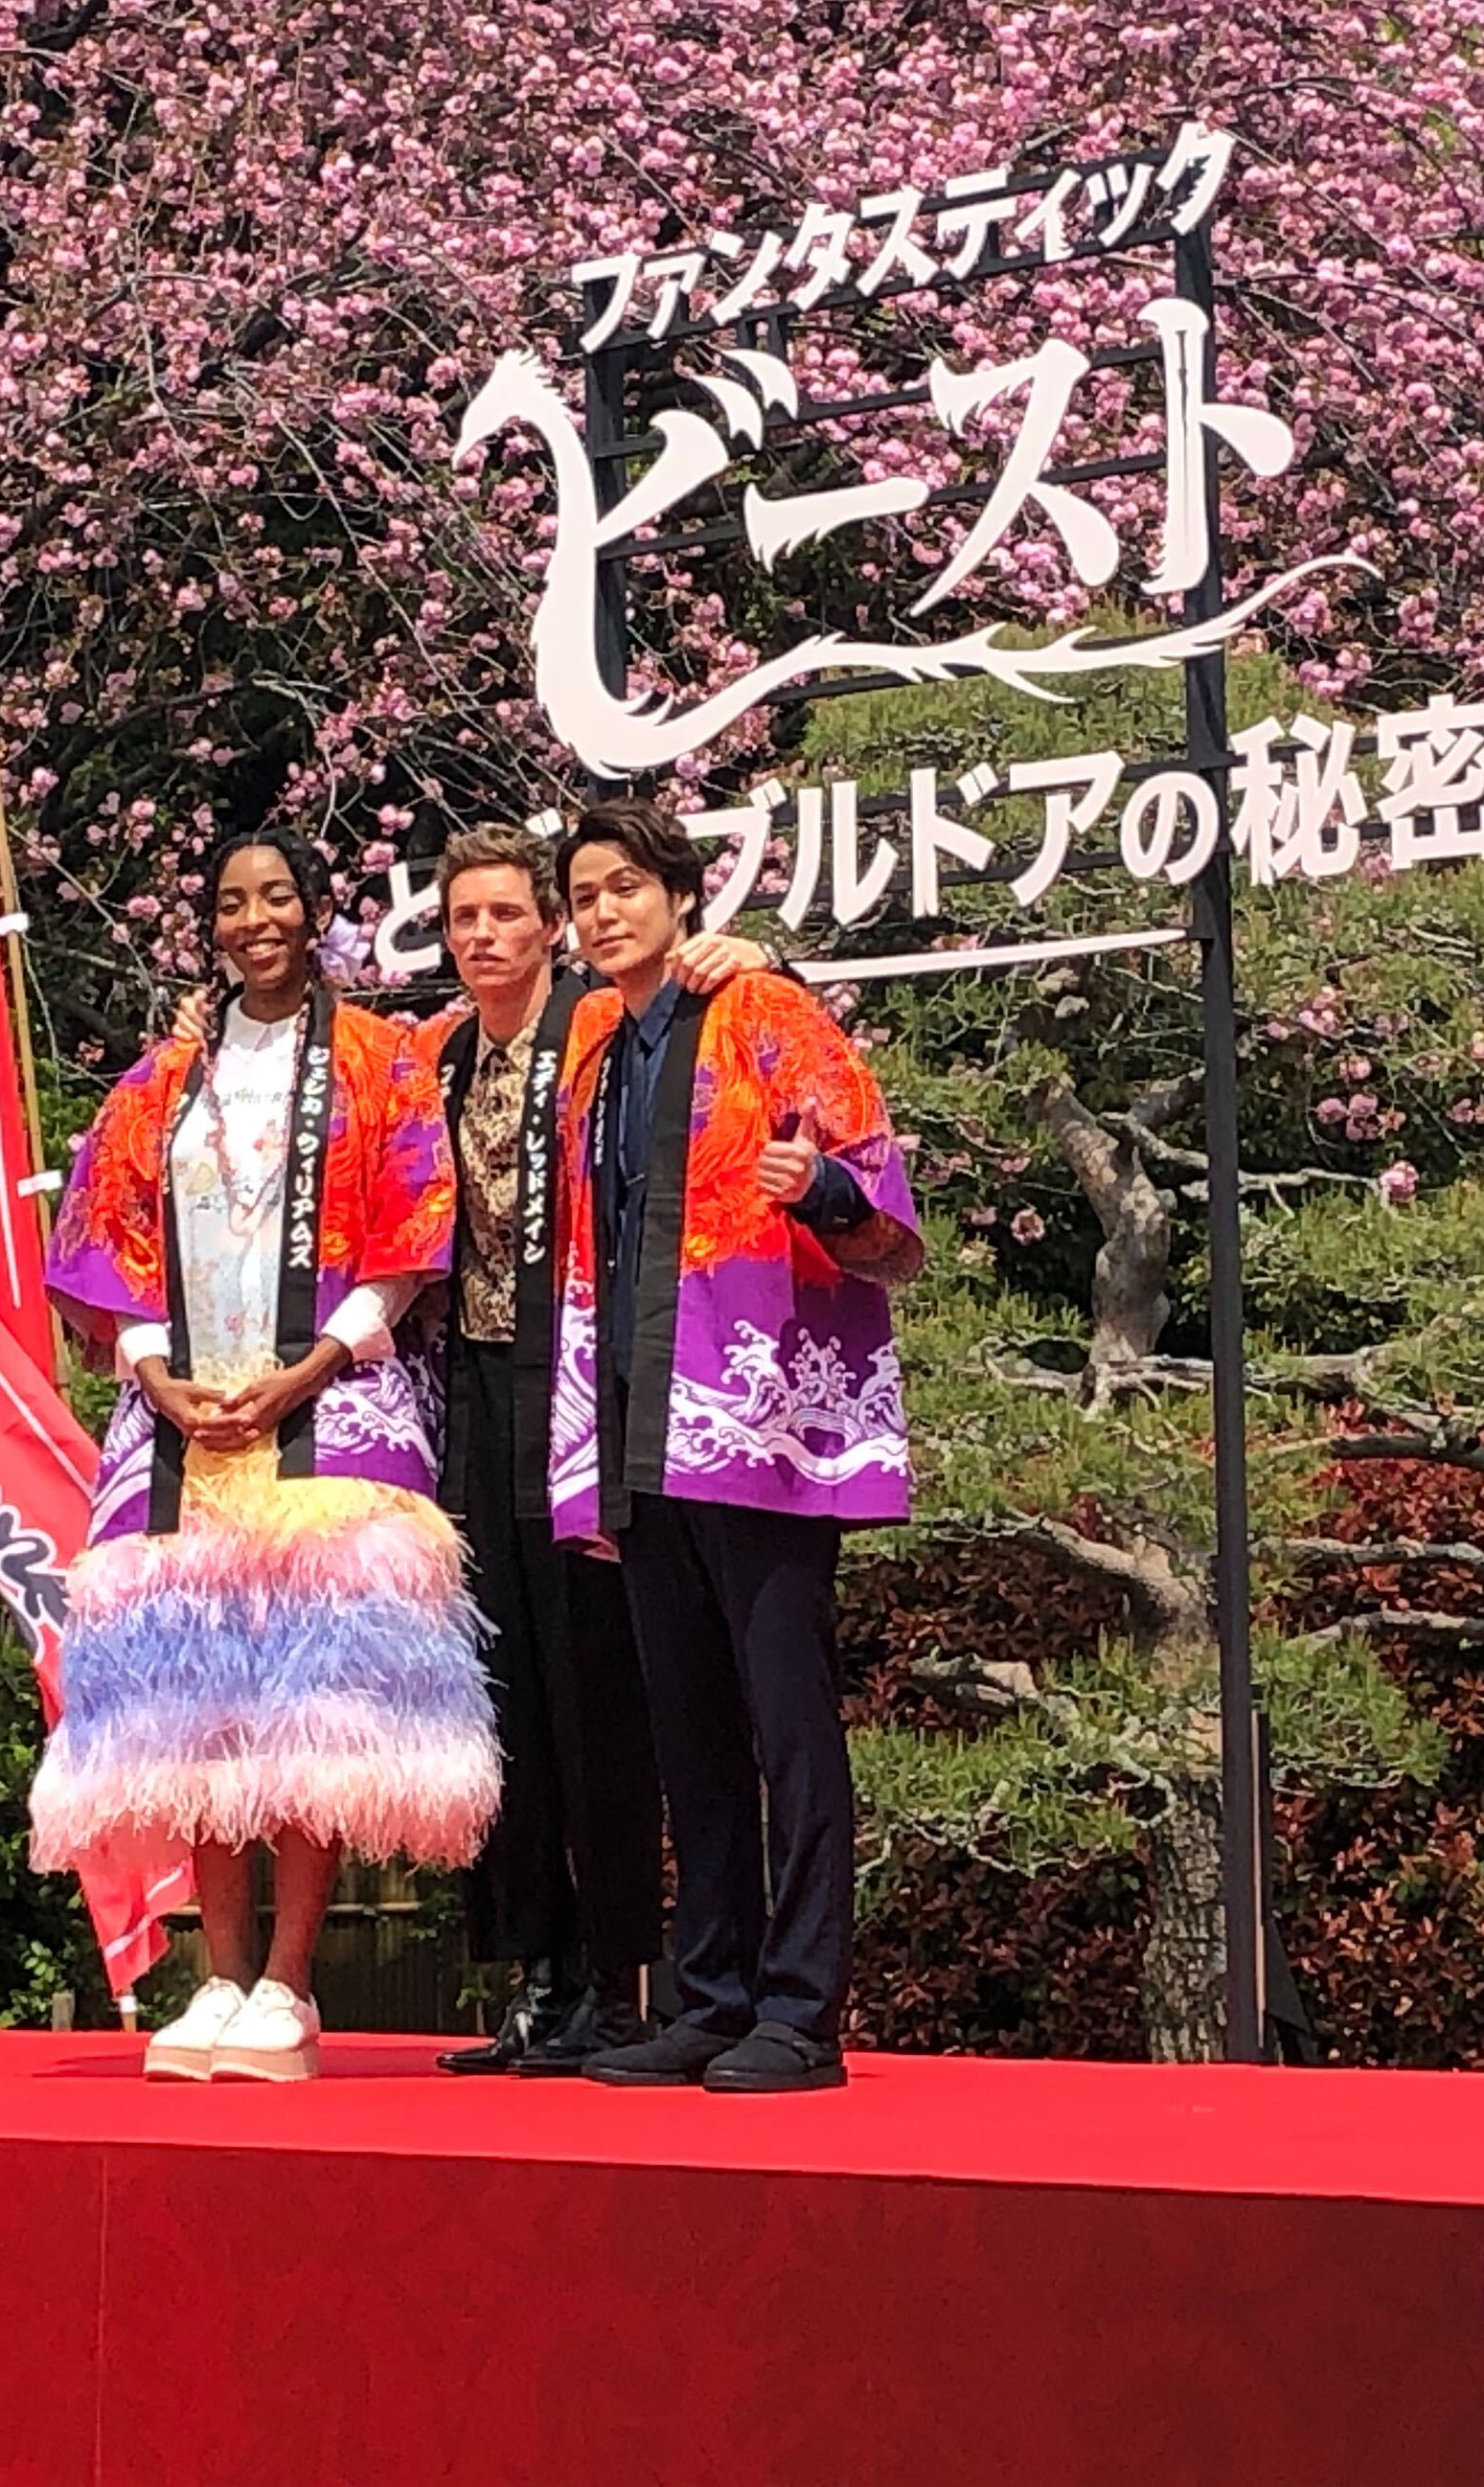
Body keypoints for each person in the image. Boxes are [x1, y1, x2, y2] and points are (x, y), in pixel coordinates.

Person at [27, 829, 498, 2082]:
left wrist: (312, 1365)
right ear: (214, 927)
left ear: (315, 909)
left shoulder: (381, 1061)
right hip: (178, 1412)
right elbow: (105, 1231)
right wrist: (153, 1371)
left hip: (332, 1398)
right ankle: (220, 1974)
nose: (256, 920)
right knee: (199, 1700)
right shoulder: (163, 1076)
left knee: (313, 1697)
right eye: (233, 902)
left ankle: (291, 1978)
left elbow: (412, 1226)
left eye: (278, 895)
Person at [547, 797, 923, 2094]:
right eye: (584, 895)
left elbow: (875, 1192)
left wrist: (819, 1188)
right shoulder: (596, 1042)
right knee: (690, 1731)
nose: (603, 912)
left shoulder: (764, 1009)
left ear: (681, 896)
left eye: (625, 887)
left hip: (757, 1417)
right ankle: (711, 1995)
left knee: (787, 1722)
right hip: (642, 1417)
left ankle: (802, 2009)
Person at [410, 825, 669, 2076]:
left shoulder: (599, 1030)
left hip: (574, 1383)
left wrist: (748, 954)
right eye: (464, 918)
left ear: (550, 927)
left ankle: (617, 1982)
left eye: (507, 913)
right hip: (468, 1383)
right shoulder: (439, 1054)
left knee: (592, 1687)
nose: (483, 937)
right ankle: (536, 1973)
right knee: (494, 1688)